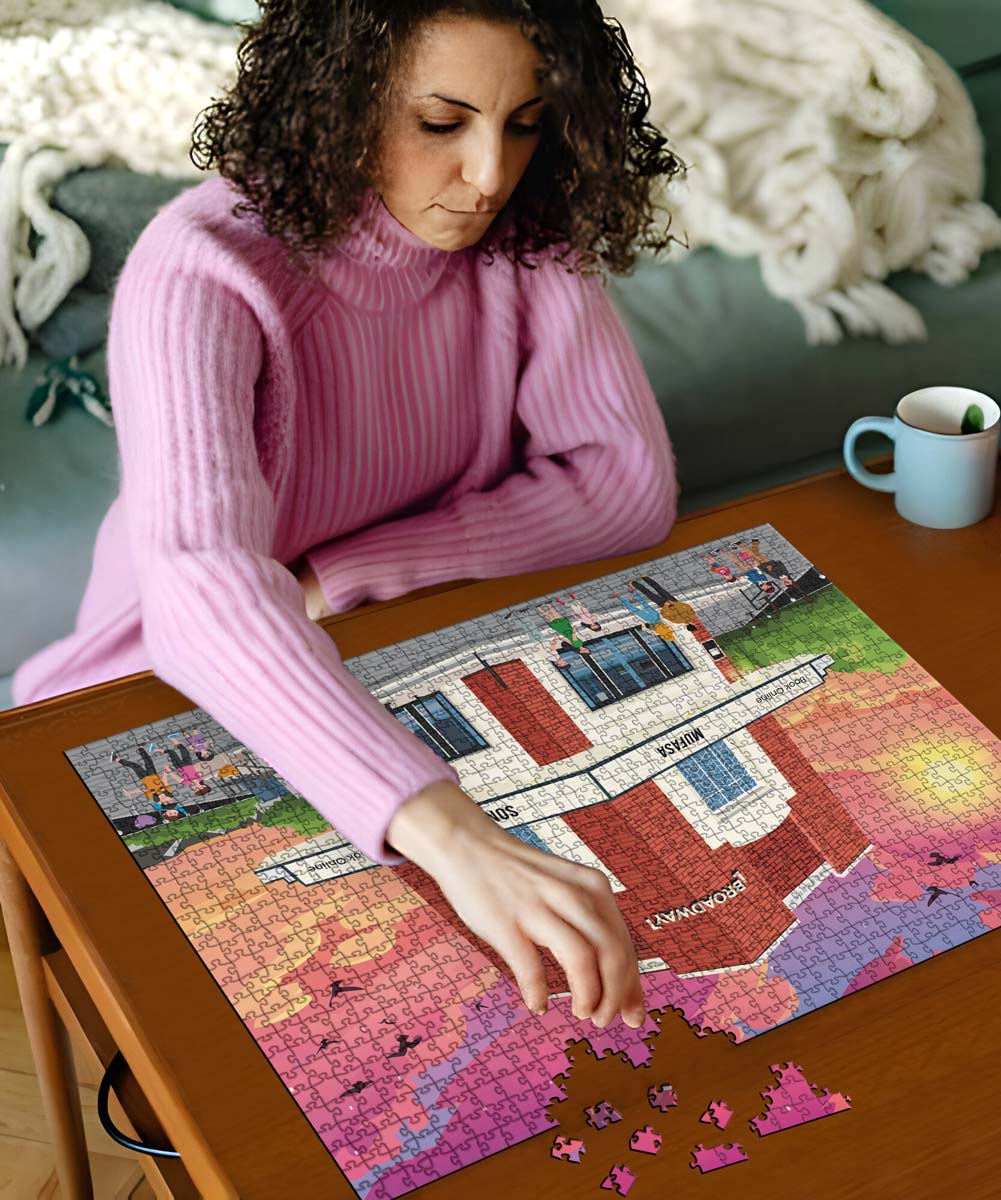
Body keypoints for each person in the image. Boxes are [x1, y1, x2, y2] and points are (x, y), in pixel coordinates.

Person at [12, 0, 687, 1032]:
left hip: (395, 638)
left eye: (524, 122)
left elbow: (626, 485)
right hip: (160, 689)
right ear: (343, 100)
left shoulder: (528, 232)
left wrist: (348, 574)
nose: (489, 176)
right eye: (441, 122)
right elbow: (199, 587)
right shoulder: (201, 266)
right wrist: (452, 836)